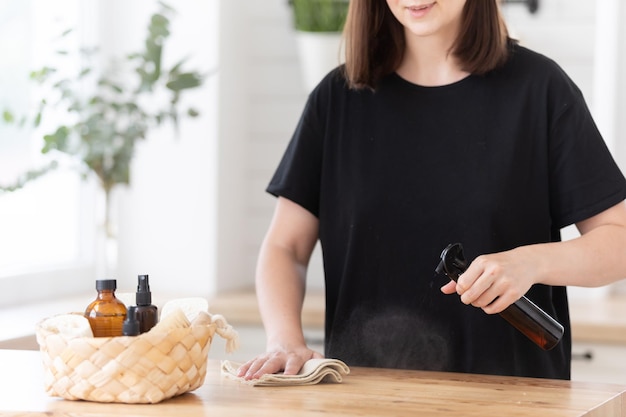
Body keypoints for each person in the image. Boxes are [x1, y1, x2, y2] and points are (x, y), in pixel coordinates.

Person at [238, 0, 626, 380]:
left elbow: (619, 240)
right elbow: (285, 248)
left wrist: (531, 263)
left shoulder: (540, 90)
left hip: (513, 399)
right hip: (364, 400)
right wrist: (284, 339)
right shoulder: (337, 98)